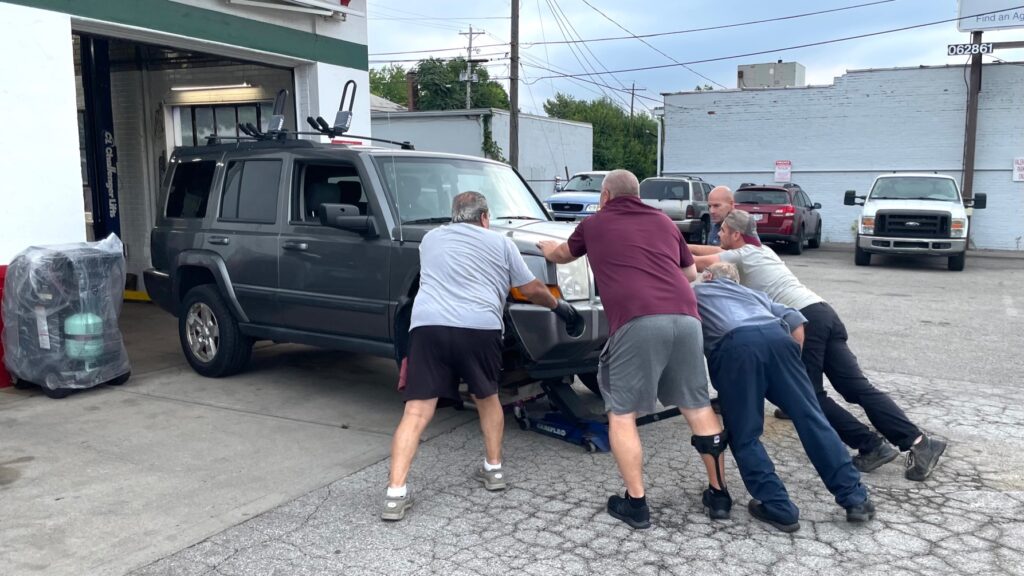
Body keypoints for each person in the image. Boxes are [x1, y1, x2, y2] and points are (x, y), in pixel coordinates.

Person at [538, 169, 731, 530]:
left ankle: (636, 504)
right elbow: (689, 276)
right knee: (697, 404)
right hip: (687, 318)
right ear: (638, 195)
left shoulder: (595, 224)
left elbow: (563, 254)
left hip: (637, 320)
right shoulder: (664, 221)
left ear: (606, 196)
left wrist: (549, 250)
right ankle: (719, 495)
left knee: (622, 413)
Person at [695, 210, 946, 482]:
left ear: (736, 235)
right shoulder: (762, 250)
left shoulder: (740, 255)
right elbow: (708, 249)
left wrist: (664, 244)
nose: (718, 234)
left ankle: (871, 445)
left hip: (804, 321)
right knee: (855, 387)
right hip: (823, 311)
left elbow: (697, 261)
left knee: (809, 395)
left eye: (722, 230)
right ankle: (920, 442)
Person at [382, 191, 582, 521]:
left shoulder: (431, 239)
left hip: (428, 328)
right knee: (487, 398)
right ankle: (494, 470)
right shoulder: (502, 244)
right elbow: (530, 289)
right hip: (479, 329)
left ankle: (395, 494)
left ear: (454, 215)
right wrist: (560, 307)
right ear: (485, 218)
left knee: (417, 412)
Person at [693, 262, 874, 532]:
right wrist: (790, 367)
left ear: (707, 276)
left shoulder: (697, 292)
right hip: (779, 339)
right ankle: (854, 499)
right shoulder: (754, 294)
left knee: (745, 434)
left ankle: (778, 506)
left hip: (736, 348)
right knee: (813, 420)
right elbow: (796, 321)